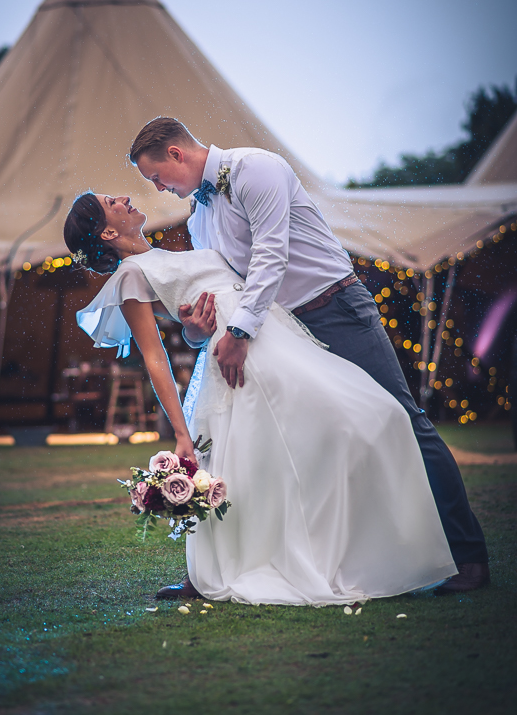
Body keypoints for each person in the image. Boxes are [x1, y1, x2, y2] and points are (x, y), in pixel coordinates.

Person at [129, 117, 489, 596]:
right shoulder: (198, 216)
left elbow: (271, 256)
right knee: (278, 444)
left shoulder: (256, 169)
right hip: (275, 332)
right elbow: (227, 290)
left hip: (335, 308)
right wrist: (198, 332)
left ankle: (469, 558)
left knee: (404, 420)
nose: (158, 188)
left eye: (157, 177)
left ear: (176, 154)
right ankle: (238, 568)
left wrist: (239, 330)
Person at [67, 191, 456, 607]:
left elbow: (193, 318)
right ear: (108, 231)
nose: (125, 197)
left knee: (366, 419)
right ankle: (287, 561)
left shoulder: (164, 253)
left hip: (271, 333)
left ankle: (346, 551)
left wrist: (192, 331)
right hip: (243, 361)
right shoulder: (130, 275)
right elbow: (154, 358)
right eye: (112, 201)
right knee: (344, 424)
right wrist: (181, 434)